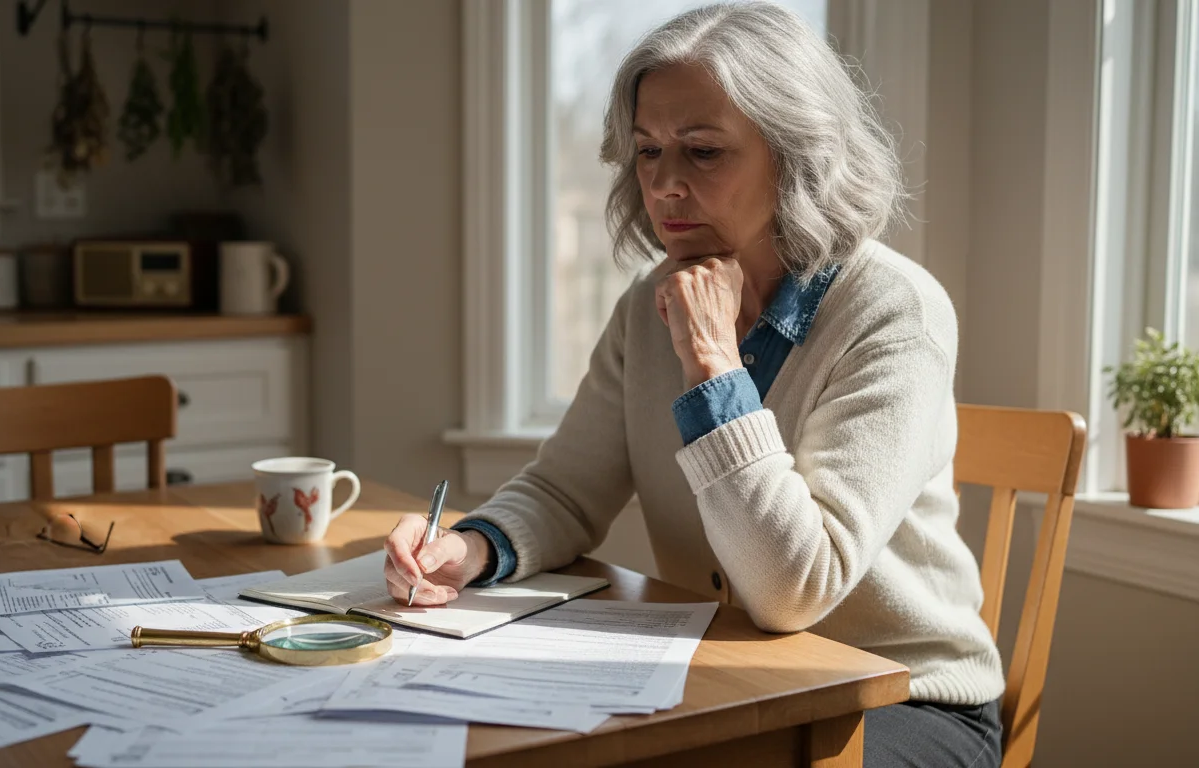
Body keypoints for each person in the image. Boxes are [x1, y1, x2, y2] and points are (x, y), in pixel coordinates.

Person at [383, 3, 1002, 765]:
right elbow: (565, 492)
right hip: (731, 680)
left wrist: (713, 363)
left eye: (703, 151)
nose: (665, 185)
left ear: (795, 154)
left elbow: (793, 590)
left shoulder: (894, 313)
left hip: (907, 697)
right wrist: (469, 548)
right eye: (647, 151)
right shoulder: (649, 309)